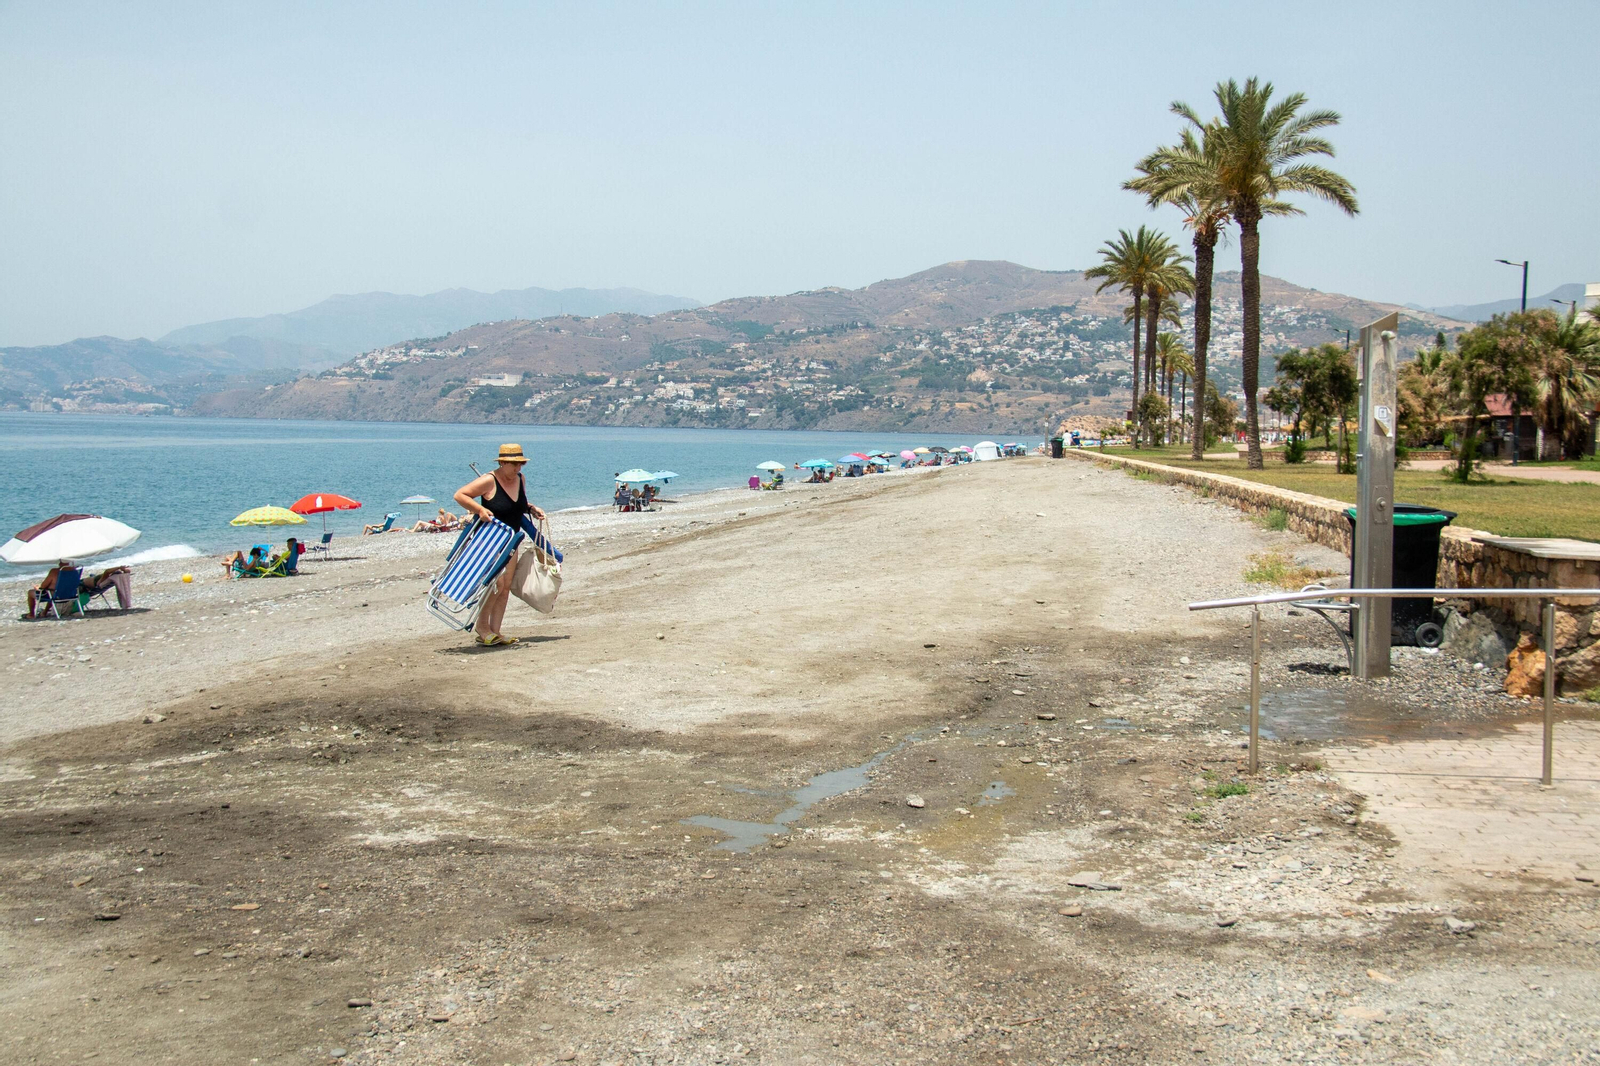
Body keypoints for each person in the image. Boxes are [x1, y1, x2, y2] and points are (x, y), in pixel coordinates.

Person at [454, 443, 546, 646]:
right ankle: (482, 627)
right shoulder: (489, 480)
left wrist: (531, 509)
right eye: (513, 464)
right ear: (502, 463)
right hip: (491, 539)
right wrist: (479, 509)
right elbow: (460, 495)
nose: (518, 468)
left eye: (520, 464)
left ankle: (495, 631)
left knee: (505, 587)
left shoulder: (520, 479)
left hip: (512, 539)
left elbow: (520, 504)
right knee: (496, 584)